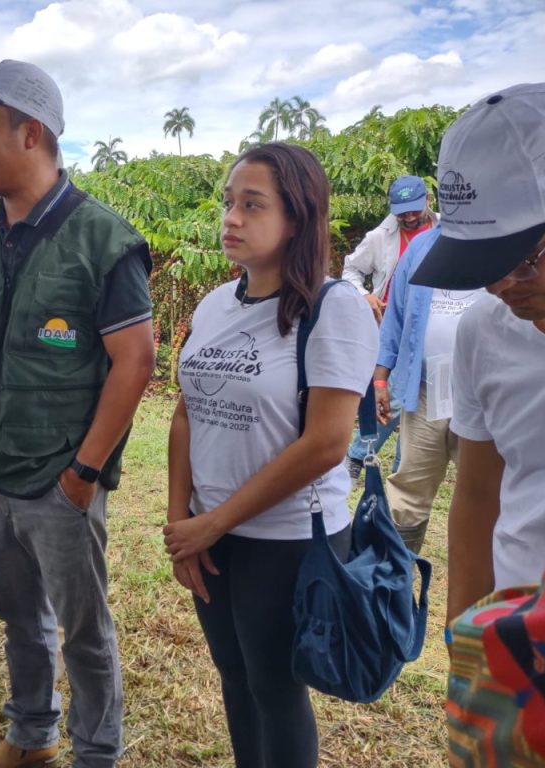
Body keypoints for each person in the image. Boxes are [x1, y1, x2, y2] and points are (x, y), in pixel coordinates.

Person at [0, 59, 155, 768]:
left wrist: (84, 472)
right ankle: (32, 739)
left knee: (83, 633)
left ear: (32, 133)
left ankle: (97, 755)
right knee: (18, 619)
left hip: (61, 478)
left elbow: (136, 360)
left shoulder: (102, 238)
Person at [163, 143, 378, 768]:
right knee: (234, 676)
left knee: (276, 690)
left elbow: (326, 442)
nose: (231, 217)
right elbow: (185, 410)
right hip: (209, 531)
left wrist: (216, 521)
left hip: (285, 539)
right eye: (229, 203)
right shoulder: (214, 304)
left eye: (251, 204)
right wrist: (184, 523)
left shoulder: (333, 308)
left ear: (298, 216)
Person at [407, 82, 545, 622]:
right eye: (482, 265)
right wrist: (466, 648)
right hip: (522, 648)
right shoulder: (485, 333)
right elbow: (476, 498)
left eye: (522, 257)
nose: (499, 285)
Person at [371, 227, 483, 553]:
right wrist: (381, 378)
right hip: (426, 389)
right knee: (409, 491)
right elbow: (395, 316)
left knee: (486, 492)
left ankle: (484, 588)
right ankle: (394, 582)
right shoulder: (421, 246)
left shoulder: (502, 241)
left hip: (483, 395)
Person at [341, 176, 437, 480]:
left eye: (414, 210)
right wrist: (365, 294)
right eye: (402, 212)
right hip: (393, 326)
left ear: (428, 201)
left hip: (434, 324)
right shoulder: (379, 236)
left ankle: (399, 468)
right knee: (392, 395)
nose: (409, 217)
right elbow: (350, 269)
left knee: (419, 400)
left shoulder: (444, 229)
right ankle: (357, 457)